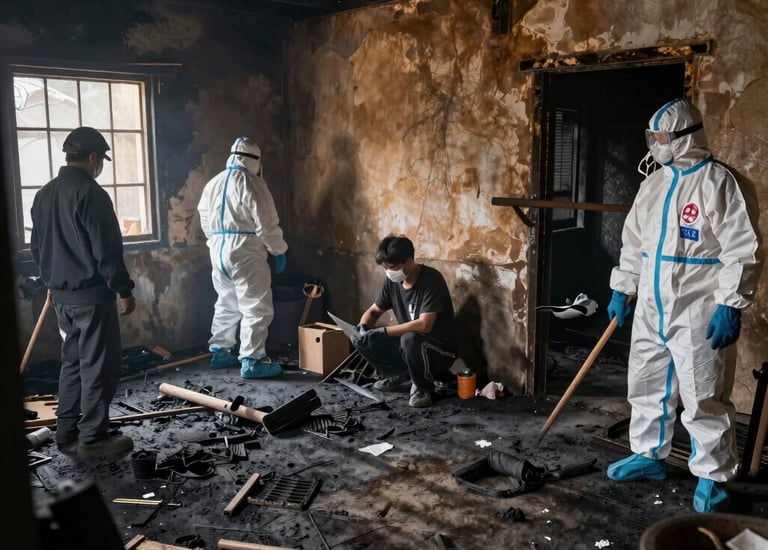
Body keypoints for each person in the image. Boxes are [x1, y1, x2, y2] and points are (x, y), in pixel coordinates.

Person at [605, 99, 762, 513]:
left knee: (704, 393)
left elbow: (743, 249)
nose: (654, 145)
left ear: (684, 137)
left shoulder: (721, 183)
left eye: (660, 138)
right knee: (646, 382)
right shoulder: (654, 184)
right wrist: (623, 288)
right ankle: (648, 454)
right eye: (652, 138)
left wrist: (731, 304)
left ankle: (713, 477)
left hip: (698, 307)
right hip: (652, 307)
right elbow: (634, 243)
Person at [30, 126, 137, 459]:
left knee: (73, 364)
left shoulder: (44, 193)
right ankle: (93, 439)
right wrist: (123, 289)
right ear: (93, 157)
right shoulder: (91, 193)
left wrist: (52, 281)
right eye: (101, 159)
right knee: (98, 367)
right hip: (92, 298)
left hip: (61, 297)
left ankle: (66, 432)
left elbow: (37, 248)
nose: (100, 165)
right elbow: (107, 250)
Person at [197, 137, 287, 379]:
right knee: (256, 306)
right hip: (246, 249)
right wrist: (278, 250)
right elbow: (266, 224)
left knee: (227, 302)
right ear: (255, 160)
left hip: (218, 249)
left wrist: (214, 242)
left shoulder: (213, 183)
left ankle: (220, 350)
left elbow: (204, 219)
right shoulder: (253, 183)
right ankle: (252, 360)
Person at [354, 235, 458, 408]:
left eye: (393, 267)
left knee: (409, 339)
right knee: (362, 337)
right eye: (385, 268)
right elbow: (373, 311)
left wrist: (384, 332)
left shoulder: (432, 280)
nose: (389, 272)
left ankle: (423, 388)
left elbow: (425, 325)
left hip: (440, 351)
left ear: (409, 261)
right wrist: (363, 328)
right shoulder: (391, 283)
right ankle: (398, 374)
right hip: (411, 346)